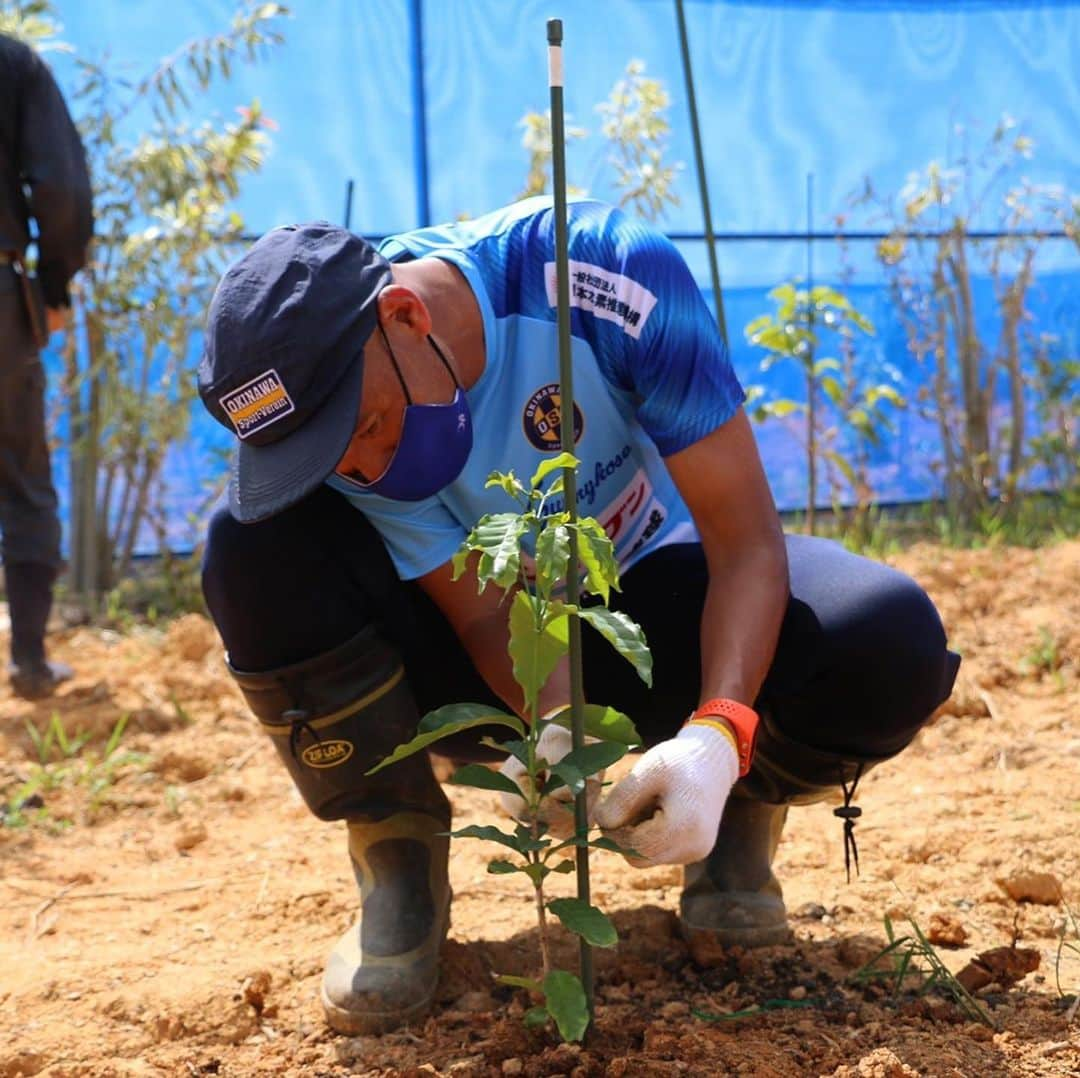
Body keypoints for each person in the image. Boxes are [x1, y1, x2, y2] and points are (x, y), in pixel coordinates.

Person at [197, 199, 960, 1035]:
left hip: (657, 593)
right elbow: (488, 617)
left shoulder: (602, 274)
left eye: (370, 428)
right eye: (337, 458)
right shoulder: (337, 411)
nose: (366, 466)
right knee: (249, 544)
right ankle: (398, 848)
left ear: (406, 316)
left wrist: (719, 732)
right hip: (499, 646)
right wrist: (557, 733)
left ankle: (737, 800)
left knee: (884, 638)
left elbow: (746, 546)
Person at [0, 33, 93, 699]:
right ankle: (28, 663)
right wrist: (54, 284)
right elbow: (58, 184)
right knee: (24, 477)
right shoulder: (14, 64)